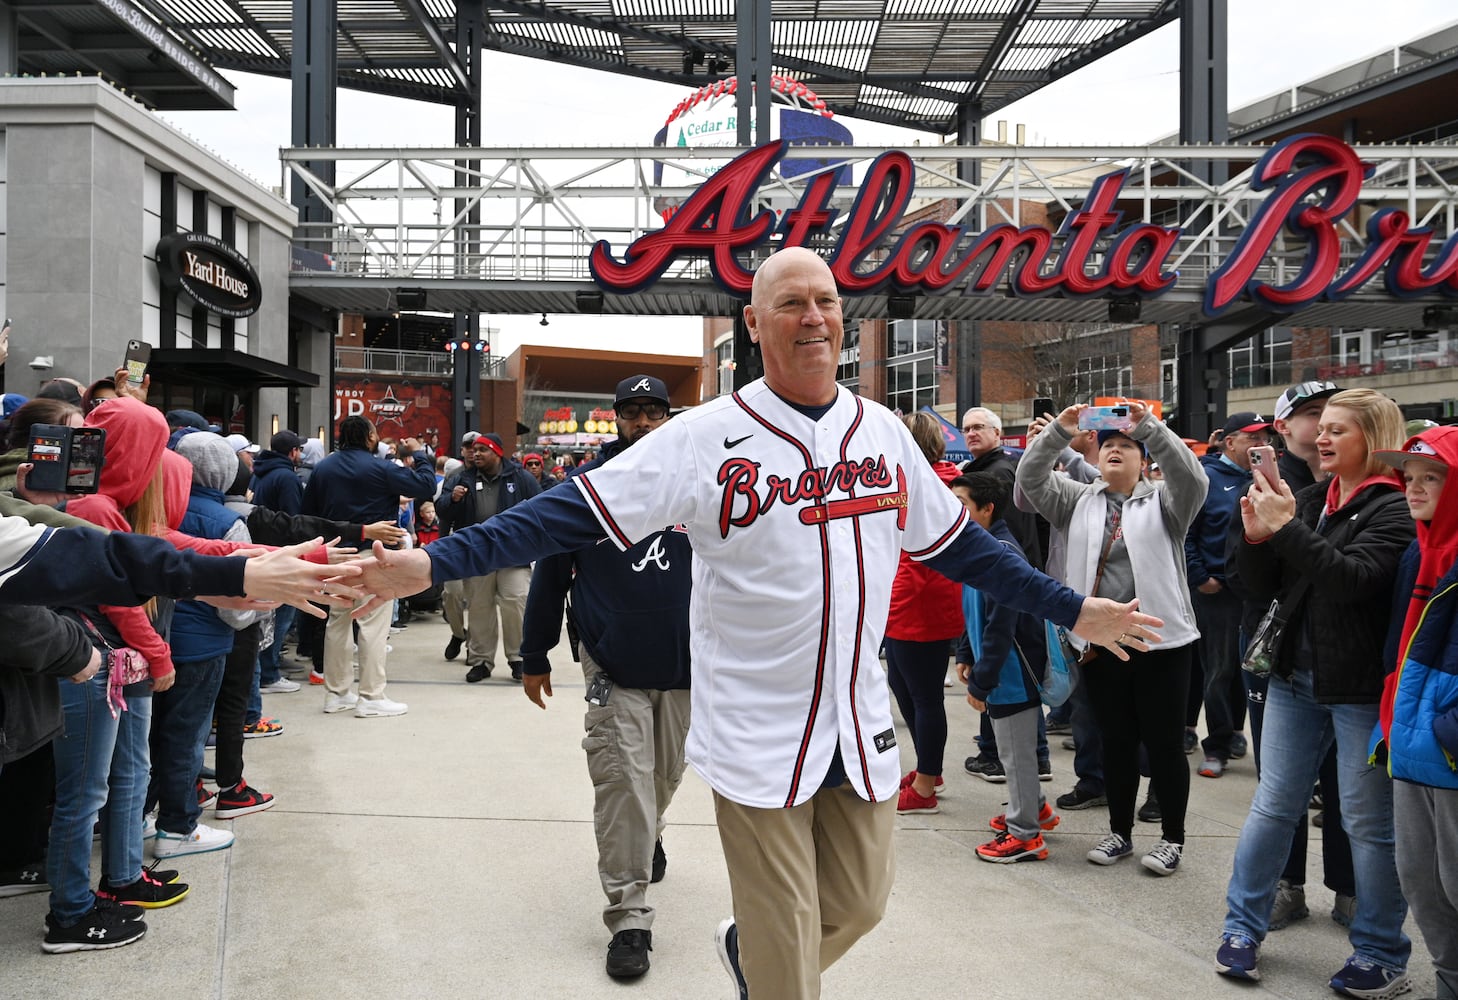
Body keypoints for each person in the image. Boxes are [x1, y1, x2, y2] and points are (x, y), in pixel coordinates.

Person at [341, 246, 1161, 1000]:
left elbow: (966, 552)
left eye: (828, 302)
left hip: (859, 717)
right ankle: (766, 966)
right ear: (755, 321)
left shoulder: (881, 432)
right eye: (793, 302)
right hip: (756, 723)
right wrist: (436, 561)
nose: (814, 317)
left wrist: (1076, 606)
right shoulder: (702, 438)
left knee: (860, 908)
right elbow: (565, 515)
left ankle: (750, 952)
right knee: (786, 958)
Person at [1215, 388, 1413, 998]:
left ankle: (1380, 952)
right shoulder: (1306, 499)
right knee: (1274, 806)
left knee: (1367, 823)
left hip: (1358, 689)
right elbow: (1260, 587)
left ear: (1375, 441)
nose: (1321, 439)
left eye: (1338, 431)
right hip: (1294, 680)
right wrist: (1255, 537)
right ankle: (1241, 929)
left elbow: (1350, 582)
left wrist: (1285, 530)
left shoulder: (1395, 509)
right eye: (1320, 428)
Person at [517, 373, 692, 980]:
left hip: (689, 665)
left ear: (669, 418)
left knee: (664, 775)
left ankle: (649, 834)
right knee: (622, 779)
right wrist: (534, 652)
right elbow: (550, 573)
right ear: (615, 418)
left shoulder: (697, 483)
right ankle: (630, 917)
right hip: (612, 661)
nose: (643, 423)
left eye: (654, 412)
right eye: (633, 412)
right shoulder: (585, 488)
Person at [1017, 402, 1206, 876]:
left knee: (1164, 744)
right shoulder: (1077, 499)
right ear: (1095, 456)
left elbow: (1193, 478)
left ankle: (1171, 839)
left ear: (1144, 460)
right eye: (1108, 445)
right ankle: (1119, 831)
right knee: (1115, 741)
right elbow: (1031, 476)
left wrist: (1150, 427)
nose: (1116, 450)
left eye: (1127, 446)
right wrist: (1060, 431)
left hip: (1161, 643)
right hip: (1100, 644)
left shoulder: (1166, 501)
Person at [1229, 381, 1355, 932]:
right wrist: (1263, 532)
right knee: (1282, 784)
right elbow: (1248, 580)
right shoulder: (1270, 486)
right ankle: (1288, 886)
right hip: (1277, 655)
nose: (1323, 426)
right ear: (1283, 428)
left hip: (1348, 662)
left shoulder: (1370, 490)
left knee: (1351, 788)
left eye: (1334, 418)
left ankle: (1351, 888)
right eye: (1311, 416)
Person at [1374, 426, 1458, 1000]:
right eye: (1411, 477)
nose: (1414, 488)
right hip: (1409, 748)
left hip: (1446, 750)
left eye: (1433, 478)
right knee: (1422, 885)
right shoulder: (1418, 550)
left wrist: (1447, 732)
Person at [953, 472, 1060, 863]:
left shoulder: (1002, 553)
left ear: (987, 508)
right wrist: (966, 652)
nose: (955, 512)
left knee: (1015, 755)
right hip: (999, 670)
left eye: (962, 503)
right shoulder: (977, 547)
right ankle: (1035, 808)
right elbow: (975, 612)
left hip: (1011, 674)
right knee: (1016, 750)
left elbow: (1001, 627)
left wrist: (982, 682)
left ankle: (1025, 834)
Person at [303, 417, 435, 718]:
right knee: (373, 624)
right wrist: (420, 453)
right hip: (373, 554)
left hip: (336, 553)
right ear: (370, 437)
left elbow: (306, 514)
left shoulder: (323, 468)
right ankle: (371, 695)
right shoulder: (382, 468)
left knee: (337, 621)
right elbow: (426, 485)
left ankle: (336, 694)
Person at [1185, 411, 1274, 779]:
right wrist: (1200, 577)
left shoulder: (1267, 478)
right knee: (1219, 669)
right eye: (1252, 437)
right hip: (1217, 591)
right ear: (1229, 441)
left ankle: (1238, 731)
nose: (1259, 444)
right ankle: (1217, 744)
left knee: (1251, 668)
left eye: (1264, 437)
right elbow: (1185, 532)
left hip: (1256, 591)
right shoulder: (1204, 477)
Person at [885, 411, 965, 814]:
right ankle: (927, 770)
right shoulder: (926, 481)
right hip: (908, 601)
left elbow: (915, 552)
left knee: (924, 696)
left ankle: (927, 784)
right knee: (903, 688)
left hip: (921, 603)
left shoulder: (936, 485)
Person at [438, 431, 540, 682]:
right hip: (477, 552)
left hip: (513, 553)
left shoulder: (520, 477)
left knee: (516, 599)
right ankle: (481, 661)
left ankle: (518, 658)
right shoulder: (462, 477)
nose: (476, 454)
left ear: (497, 452)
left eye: (482, 450)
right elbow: (442, 509)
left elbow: (542, 505)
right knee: (479, 606)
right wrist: (452, 498)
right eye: (474, 450)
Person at [250, 430, 306, 515]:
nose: (300, 454)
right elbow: (292, 518)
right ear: (293, 452)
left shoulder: (257, 472)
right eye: (299, 450)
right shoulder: (288, 478)